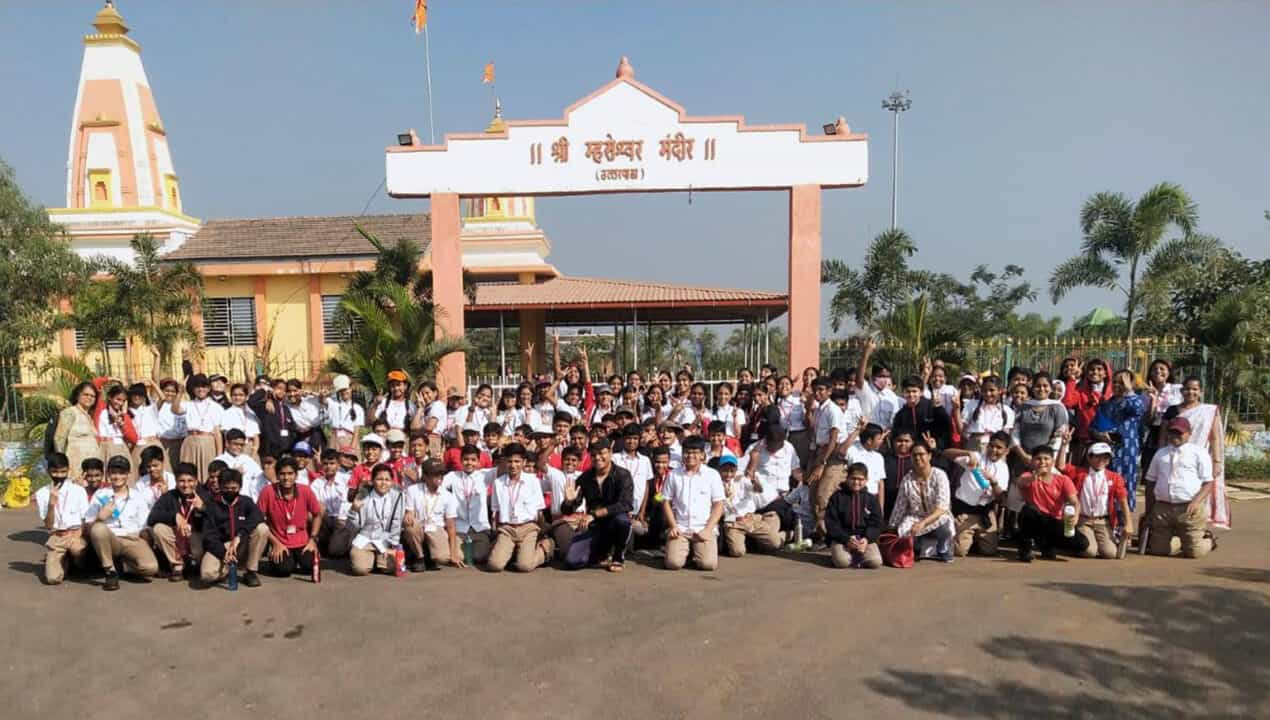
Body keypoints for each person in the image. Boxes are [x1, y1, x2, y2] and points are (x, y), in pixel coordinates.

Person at [1158, 376, 1229, 529]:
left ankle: (1197, 529)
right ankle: (1173, 527)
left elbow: (1215, 438)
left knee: (1198, 492)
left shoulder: (1209, 411)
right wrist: (1160, 457)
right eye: (1187, 389)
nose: (1191, 392)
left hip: (1198, 459)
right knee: (1176, 490)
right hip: (1173, 457)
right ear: (1182, 391)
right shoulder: (1172, 410)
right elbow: (1163, 435)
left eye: (1195, 389)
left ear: (1201, 392)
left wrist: (1216, 462)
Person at [85, 456, 160, 590]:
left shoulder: (137, 496)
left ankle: (122, 564)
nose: (117, 476)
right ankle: (110, 571)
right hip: (110, 539)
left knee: (150, 568)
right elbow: (88, 527)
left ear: (128, 474)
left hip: (131, 539)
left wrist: (145, 542)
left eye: (122, 473)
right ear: (108, 475)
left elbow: (145, 526)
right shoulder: (100, 495)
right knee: (98, 529)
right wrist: (100, 517)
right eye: (114, 473)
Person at [560, 438, 634, 571]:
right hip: (595, 527)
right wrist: (568, 501)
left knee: (623, 521)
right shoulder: (585, 478)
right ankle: (601, 554)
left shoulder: (623, 475)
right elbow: (567, 510)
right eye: (593, 455)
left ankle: (618, 557)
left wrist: (594, 515)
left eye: (601, 453)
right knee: (572, 562)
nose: (597, 458)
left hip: (614, 522)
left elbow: (625, 504)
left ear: (610, 453)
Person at [1145, 417, 1214, 558]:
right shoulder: (1160, 454)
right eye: (1172, 432)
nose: (1175, 436)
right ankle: (1180, 541)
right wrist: (1149, 511)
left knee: (1195, 553)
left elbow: (1208, 483)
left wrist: (1196, 502)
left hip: (1189, 508)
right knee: (1158, 551)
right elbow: (1150, 482)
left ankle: (1208, 541)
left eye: (1179, 433)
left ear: (1189, 433)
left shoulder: (1199, 453)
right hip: (1163, 508)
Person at [1059, 441, 1131, 559]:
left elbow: (1123, 501)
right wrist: (1064, 445)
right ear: (1089, 457)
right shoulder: (1079, 472)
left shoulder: (1115, 477)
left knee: (1111, 554)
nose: (1101, 460)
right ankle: (1067, 546)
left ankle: (1094, 543)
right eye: (1097, 456)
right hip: (1083, 520)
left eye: (1105, 457)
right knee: (1089, 552)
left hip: (1102, 521)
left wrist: (1129, 524)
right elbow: (1061, 466)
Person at [487, 443, 553, 573]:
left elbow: (539, 510)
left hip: (528, 527)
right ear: (505, 462)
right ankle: (512, 552)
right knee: (495, 565)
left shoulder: (533, 481)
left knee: (524, 566)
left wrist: (541, 531)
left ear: (524, 462)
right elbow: (496, 511)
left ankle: (545, 549)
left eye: (517, 461)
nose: (513, 465)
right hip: (507, 529)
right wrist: (496, 533)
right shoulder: (498, 483)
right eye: (510, 461)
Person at [1014, 445, 1087, 561]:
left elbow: (1075, 502)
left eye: (1046, 459)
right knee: (1028, 511)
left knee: (1082, 543)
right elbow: (1021, 483)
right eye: (1038, 459)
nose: (1042, 462)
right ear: (1032, 461)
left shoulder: (1063, 480)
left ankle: (1048, 545)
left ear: (1052, 461)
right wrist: (1034, 477)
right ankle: (1025, 549)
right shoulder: (1027, 477)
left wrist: (1075, 516)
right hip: (1036, 520)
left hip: (1053, 522)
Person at [662, 437, 725, 571]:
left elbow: (718, 505)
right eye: (687, 452)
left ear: (702, 454)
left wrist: (708, 529)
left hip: (703, 528)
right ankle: (683, 551)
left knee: (708, 565)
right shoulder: (673, 475)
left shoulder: (712, 475)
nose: (691, 456)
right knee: (673, 564)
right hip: (681, 528)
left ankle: (694, 551)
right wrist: (673, 526)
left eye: (695, 452)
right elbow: (666, 502)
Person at [199, 468, 269, 587]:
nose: (230, 492)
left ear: (240, 487)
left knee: (262, 529)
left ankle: (251, 571)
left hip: (241, 543)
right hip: (222, 545)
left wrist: (239, 535)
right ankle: (228, 569)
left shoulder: (246, 501)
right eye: (226, 488)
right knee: (207, 574)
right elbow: (209, 535)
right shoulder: (212, 505)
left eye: (234, 489)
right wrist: (223, 553)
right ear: (220, 486)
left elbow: (258, 516)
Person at [944, 432, 1010, 557]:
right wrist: (967, 453)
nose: (993, 450)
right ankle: (964, 535)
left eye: (999, 447)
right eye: (991, 446)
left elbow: (1000, 497)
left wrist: (993, 482)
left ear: (1006, 451)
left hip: (985, 512)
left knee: (989, 551)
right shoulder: (976, 457)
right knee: (960, 551)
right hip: (965, 511)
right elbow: (947, 453)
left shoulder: (1004, 468)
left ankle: (974, 538)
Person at [255, 456, 323, 579]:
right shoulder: (268, 492)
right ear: (277, 475)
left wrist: (313, 539)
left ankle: (296, 558)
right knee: (283, 570)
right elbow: (258, 520)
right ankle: (283, 558)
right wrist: (274, 542)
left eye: (290, 474)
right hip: (280, 541)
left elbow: (317, 514)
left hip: (302, 541)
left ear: (296, 475)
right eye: (282, 474)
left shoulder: (305, 491)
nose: (286, 478)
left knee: (310, 566)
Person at [887, 440, 954, 562]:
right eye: (914, 455)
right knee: (904, 531)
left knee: (944, 525)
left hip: (936, 516)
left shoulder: (940, 475)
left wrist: (923, 523)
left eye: (921, 454)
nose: (918, 458)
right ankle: (919, 547)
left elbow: (942, 507)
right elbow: (899, 507)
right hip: (915, 517)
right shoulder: (907, 479)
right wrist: (892, 528)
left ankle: (943, 547)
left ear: (929, 456)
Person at [146, 462, 211, 581]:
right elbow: (152, 517)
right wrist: (175, 516)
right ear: (176, 482)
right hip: (178, 538)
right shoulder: (169, 496)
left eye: (190, 480)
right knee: (159, 528)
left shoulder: (205, 496)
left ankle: (196, 564)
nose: (186, 485)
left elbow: (216, 522)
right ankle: (178, 565)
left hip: (197, 539)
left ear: (196, 481)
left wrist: (203, 509)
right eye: (182, 481)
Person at [1092, 369, 1146, 510]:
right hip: (1108, 450)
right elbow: (1093, 426)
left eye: (1121, 383)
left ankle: (1124, 521)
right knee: (1107, 483)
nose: (1117, 385)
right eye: (1114, 382)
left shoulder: (1134, 401)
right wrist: (1100, 435)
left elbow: (1138, 409)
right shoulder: (1106, 404)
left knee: (1125, 483)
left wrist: (1128, 390)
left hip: (1127, 449)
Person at [34, 452, 90, 585]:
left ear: (68, 470)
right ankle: (63, 560)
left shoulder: (78, 490)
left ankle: (75, 561)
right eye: (55, 472)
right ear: (48, 471)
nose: (59, 476)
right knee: (53, 578)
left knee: (77, 550)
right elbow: (48, 525)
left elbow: (85, 519)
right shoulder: (42, 493)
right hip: (57, 536)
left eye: (63, 472)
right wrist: (51, 504)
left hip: (76, 534)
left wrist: (77, 535)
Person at [402, 459, 465, 571]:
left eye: (441, 474)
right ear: (425, 476)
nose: (439, 477)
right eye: (435, 474)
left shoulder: (448, 496)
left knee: (446, 558)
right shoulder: (413, 490)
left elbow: (451, 526)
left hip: (436, 528)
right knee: (410, 525)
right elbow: (409, 512)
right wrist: (408, 515)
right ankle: (420, 557)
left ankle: (430, 554)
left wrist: (453, 553)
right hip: (419, 527)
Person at [347, 464, 408, 575]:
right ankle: (368, 558)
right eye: (379, 479)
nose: (383, 483)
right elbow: (351, 527)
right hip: (365, 537)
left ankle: (376, 560)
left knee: (391, 568)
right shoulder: (363, 495)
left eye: (387, 480)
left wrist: (393, 546)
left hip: (385, 538)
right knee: (360, 569)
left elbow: (396, 522)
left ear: (392, 482)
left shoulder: (397, 496)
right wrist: (353, 511)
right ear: (373, 480)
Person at [807, 379, 848, 540]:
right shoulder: (818, 410)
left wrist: (822, 463)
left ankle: (831, 536)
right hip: (819, 453)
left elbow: (834, 438)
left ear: (830, 391)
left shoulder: (833, 410)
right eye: (816, 390)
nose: (818, 393)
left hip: (832, 457)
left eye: (822, 390)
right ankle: (820, 533)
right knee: (813, 494)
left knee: (824, 495)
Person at [716, 456, 780, 558]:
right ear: (719, 470)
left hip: (749, 518)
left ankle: (777, 527)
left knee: (775, 543)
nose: (728, 474)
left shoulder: (741, 479)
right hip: (733, 523)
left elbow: (758, 490)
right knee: (737, 552)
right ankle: (755, 538)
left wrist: (755, 482)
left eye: (731, 471)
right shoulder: (715, 483)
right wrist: (723, 496)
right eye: (725, 471)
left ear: (736, 470)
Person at [825, 463, 884, 569]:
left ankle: (858, 555)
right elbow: (831, 523)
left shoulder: (871, 499)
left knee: (875, 562)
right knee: (842, 562)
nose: (856, 482)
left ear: (866, 480)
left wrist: (866, 539)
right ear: (847, 478)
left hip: (864, 539)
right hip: (842, 539)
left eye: (860, 479)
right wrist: (846, 539)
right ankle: (843, 554)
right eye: (853, 478)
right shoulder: (837, 497)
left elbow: (876, 523)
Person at [1061, 358, 1112, 464]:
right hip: (1086, 441)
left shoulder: (1112, 392)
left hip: (1106, 441)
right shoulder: (1081, 391)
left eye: (1099, 369)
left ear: (1106, 373)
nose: (1095, 372)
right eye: (1092, 369)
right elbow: (1068, 402)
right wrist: (1072, 379)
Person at [53, 382, 100, 486]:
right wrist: (61, 465)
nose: (89, 398)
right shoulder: (70, 412)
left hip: (91, 467)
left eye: (93, 396)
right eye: (86, 394)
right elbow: (59, 438)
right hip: (75, 465)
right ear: (78, 395)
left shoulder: (89, 417)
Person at [891, 375, 953, 451]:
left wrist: (939, 409)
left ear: (921, 392)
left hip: (933, 450)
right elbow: (896, 435)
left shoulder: (932, 406)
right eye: (908, 391)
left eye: (914, 391)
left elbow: (947, 425)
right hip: (912, 453)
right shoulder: (901, 414)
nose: (911, 395)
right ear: (903, 392)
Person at [180, 374, 224, 481]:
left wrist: (219, 456)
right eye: (198, 387)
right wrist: (180, 392)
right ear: (193, 389)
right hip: (190, 442)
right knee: (188, 474)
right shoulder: (188, 404)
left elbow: (217, 432)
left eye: (204, 387)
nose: (201, 389)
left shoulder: (216, 407)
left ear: (209, 388)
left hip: (207, 442)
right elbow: (175, 410)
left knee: (206, 474)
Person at [311, 449, 353, 558]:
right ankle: (323, 541)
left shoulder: (347, 480)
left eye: (332, 463)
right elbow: (315, 507)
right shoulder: (317, 483)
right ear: (321, 464)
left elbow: (349, 502)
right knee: (317, 508)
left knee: (335, 551)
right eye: (325, 463)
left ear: (338, 464)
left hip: (342, 521)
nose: (328, 467)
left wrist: (342, 519)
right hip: (326, 521)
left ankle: (348, 543)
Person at [855, 338, 901, 429]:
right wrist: (866, 355)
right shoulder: (866, 390)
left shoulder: (891, 396)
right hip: (869, 436)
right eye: (882, 376)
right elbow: (859, 379)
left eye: (887, 376)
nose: (885, 379)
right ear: (873, 376)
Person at [248, 378, 297, 459]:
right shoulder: (265, 405)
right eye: (279, 388)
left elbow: (292, 427)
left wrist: (290, 444)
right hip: (269, 451)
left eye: (284, 390)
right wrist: (264, 390)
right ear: (272, 388)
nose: (282, 391)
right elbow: (250, 402)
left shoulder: (285, 408)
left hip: (285, 450)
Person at [213, 429, 266, 499]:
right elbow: (215, 482)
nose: (239, 447)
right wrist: (234, 473)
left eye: (242, 445)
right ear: (227, 443)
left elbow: (260, 477)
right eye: (235, 444)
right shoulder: (219, 460)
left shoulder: (248, 460)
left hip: (247, 499)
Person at [221, 383, 262, 460]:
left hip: (250, 449)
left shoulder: (251, 414)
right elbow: (227, 435)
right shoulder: (227, 413)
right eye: (235, 395)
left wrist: (253, 454)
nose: (237, 398)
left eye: (241, 395)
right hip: (235, 449)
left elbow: (256, 437)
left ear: (246, 397)